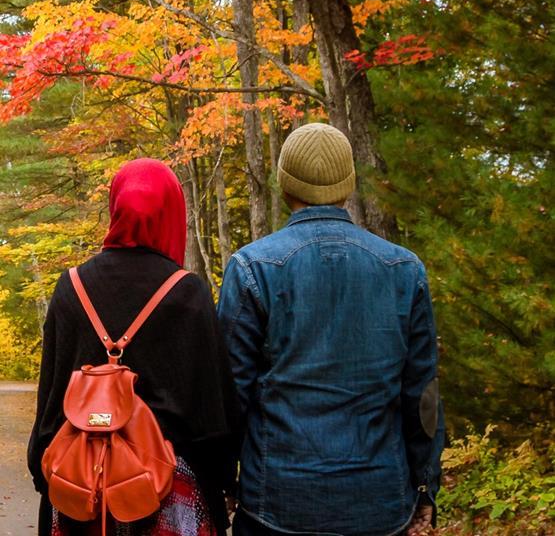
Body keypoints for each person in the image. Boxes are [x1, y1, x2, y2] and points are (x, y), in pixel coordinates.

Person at [218, 123, 444, 536]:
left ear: (284, 184)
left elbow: (231, 393)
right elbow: (422, 395)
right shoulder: (404, 269)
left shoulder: (252, 268)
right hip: (380, 500)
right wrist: (425, 483)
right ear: (348, 186)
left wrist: (223, 480)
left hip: (278, 501)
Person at [28, 158, 240, 536]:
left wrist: (43, 471)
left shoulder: (69, 287)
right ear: (172, 213)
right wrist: (224, 480)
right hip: (170, 490)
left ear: (116, 207)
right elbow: (213, 411)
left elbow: (51, 399)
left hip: (81, 486)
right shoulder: (186, 292)